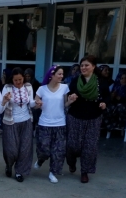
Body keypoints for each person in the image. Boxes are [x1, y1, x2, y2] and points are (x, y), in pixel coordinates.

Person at [66, 55, 110, 183]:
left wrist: (104, 104)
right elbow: (68, 94)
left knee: (89, 147)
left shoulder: (101, 82)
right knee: (72, 145)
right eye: (82, 65)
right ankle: (71, 162)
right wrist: (71, 97)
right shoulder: (76, 80)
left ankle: (84, 172)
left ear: (93, 66)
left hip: (93, 117)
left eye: (86, 65)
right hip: (75, 116)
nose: (83, 67)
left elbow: (107, 97)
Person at [34, 65, 71, 183]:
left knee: (58, 151)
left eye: (62, 74)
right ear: (52, 75)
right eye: (59, 74)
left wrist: (70, 102)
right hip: (44, 123)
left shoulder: (65, 87)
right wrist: (37, 104)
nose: (61, 76)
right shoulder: (41, 89)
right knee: (44, 149)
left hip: (60, 123)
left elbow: (65, 105)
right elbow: (35, 105)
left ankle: (53, 172)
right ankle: (40, 160)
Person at [1, 67, 34, 182]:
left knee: (25, 149)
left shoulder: (28, 86)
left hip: (26, 121)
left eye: (20, 79)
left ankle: (20, 172)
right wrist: (5, 100)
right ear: (12, 80)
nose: (18, 82)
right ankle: (9, 165)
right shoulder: (7, 87)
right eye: (16, 80)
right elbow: (2, 106)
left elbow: (31, 102)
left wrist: (38, 103)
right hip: (10, 122)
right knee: (11, 150)